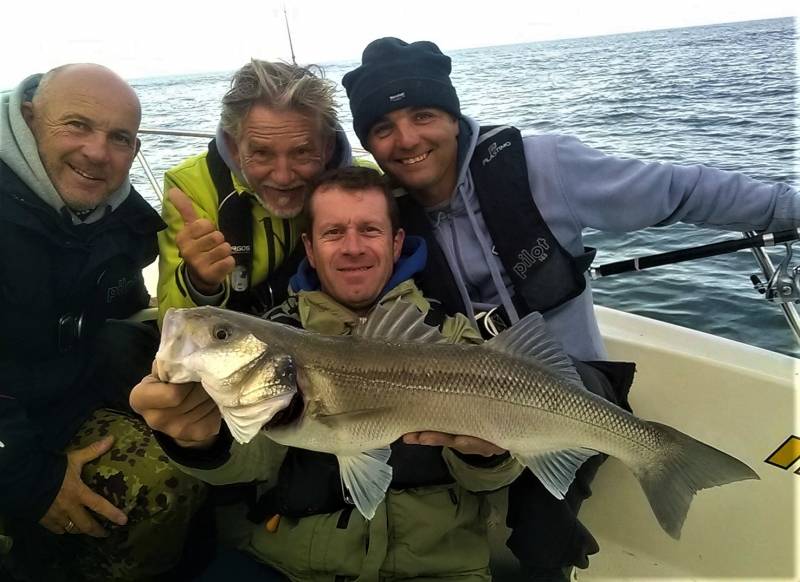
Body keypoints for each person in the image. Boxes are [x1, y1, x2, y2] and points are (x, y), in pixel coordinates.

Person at [341, 38, 800, 580]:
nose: (407, 140)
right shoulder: (383, 215)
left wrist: (787, 209)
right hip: (453, 391)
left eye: (423, 115)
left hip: (569, 382)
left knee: (541, 536)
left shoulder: (541, 165)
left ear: (452, 114)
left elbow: (679, 190)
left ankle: (553, 551)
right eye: (383, 128)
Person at [131, 166, 524, 581]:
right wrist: (198, 441)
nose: (352, 247)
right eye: (334, 233)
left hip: (440, 569)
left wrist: (490, 454)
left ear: (396, 244)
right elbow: (250, 463)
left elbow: (492, 480)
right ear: (311, 249)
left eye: (369, 230)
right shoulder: (276, 338)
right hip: (293, 566)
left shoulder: (450, 336)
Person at [0, 64, 206, 581]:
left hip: (62, 402)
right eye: (76, 125)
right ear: (28, 120)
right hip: (12, 437)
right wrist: (32, 483)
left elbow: (122, 316)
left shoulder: (118, 220)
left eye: (119, 137)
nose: (97, 152)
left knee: (189, 461)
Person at [157, 59, 368, 324]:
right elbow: (172, 321)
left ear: (327, 147)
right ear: (234, 148)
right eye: (261, 153)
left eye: (302, 152)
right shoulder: (191, 189)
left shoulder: (367, 187)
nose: (282, 176)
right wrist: (198, 283)